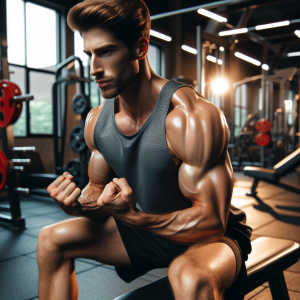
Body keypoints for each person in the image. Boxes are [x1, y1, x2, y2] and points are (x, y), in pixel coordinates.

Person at [38, 0, 252, 299]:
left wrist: (135, 219)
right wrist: (78, 205)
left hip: (210, 236)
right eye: (90, 55)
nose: (94, 69)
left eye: (106, 52)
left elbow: (211, 222)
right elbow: (97, 190)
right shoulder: (97, 121)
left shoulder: (191, 117)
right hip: (149, 227)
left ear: (140, 47)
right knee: (50, 240)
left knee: (188, 276)